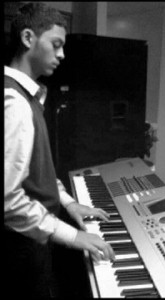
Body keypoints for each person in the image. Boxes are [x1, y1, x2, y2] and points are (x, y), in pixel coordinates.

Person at [4, 3, 115, 298]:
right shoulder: (13, 102)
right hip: (20, 247)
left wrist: (67, 202)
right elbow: (7, 200)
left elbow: (36, 171)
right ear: (28, 38)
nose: (63, 54)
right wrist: (73, 235)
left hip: (34, 237)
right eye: (56, 45)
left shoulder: (28, 96)